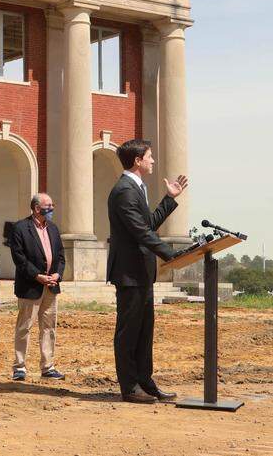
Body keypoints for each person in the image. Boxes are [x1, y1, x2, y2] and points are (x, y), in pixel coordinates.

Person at [107, 138, 188, 404]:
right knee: (129, 331)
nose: (153, 161)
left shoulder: (136, 188)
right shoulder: (124, 191)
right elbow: (140, 231)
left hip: (141, 273)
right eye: (150, 157)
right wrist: (170, 254)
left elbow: (148, 225)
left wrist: (169, 199)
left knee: (144, 331)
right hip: (129, 274)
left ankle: (145, 382)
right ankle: (129, 387)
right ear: (138, 161)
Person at [7, 192, 65, 381]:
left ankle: (48, 366)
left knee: (49, 327)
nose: (52, 209)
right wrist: (37, 276)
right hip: (30, 286)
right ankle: (19, 366)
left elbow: (61, 256)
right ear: (37, 208)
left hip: (51, 286)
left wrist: (57, 274)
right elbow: (19, 258)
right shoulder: (20, 228)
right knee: (25, 326)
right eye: (49, 206)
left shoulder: (54, 229)